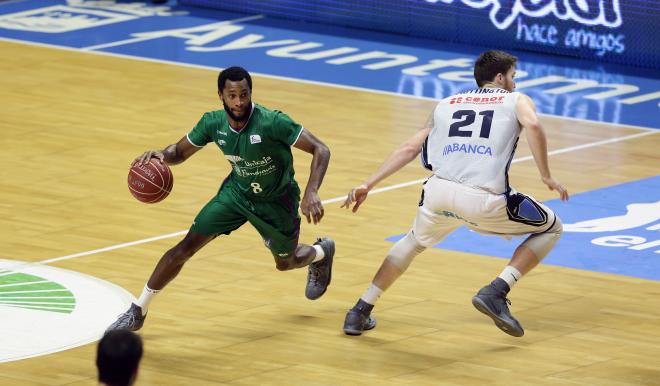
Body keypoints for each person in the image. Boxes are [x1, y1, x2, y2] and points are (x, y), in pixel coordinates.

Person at [341, 50, 568, 337]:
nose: (515, 81)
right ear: (500, 78)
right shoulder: (516, 100)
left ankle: (360, 310)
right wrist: (546, 175)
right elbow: (533, 124)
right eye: (513, 76)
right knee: (552, 228)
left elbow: (409, 149)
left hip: (438, 195)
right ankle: (497, 290)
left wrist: (368, 183)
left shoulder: (446, 103)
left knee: (412, 242)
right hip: (484, 201)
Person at [107, 66, 334, 331]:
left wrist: (311, 191)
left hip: (277, 202)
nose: (239, 102)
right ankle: (138, 311)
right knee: (185, 247)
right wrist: (162, 155)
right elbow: (179, 152)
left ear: (251, 93)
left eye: (244, 94)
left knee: (286, 263)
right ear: (221, 96)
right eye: (232, 95)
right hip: (236, 194)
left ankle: (321, 252)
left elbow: (321, 149)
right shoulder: (213, 123)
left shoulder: (273, 122)